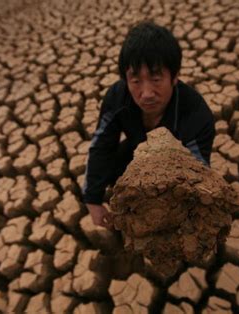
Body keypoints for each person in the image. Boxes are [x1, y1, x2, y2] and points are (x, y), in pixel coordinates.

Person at [83, 21, 215, 228]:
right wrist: (92, 199)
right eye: (136, 81)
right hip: (137, 151)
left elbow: (197, 171)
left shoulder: (196, 115)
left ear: (175, 76)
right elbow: (102, 146)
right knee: (111, 166)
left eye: (156, 79)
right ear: (126, 80)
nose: (146, 94)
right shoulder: (117, 98)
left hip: (174, 167)